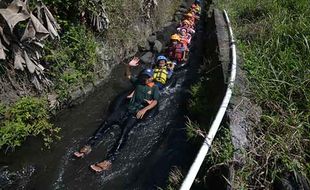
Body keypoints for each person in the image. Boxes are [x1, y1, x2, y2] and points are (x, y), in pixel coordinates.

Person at [73, 59, 159, 172]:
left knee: (124, 133)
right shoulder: (138, 82)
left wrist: (144, 109)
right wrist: (128, 66)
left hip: (136, 113)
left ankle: (109, 161)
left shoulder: (154, 88)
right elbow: (128, 75)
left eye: (147, 77)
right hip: (126, 108)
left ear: (152, 77)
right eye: (144, 76)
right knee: (107, 122)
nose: (145, 78)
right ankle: (89, 146)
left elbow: (155, 102)